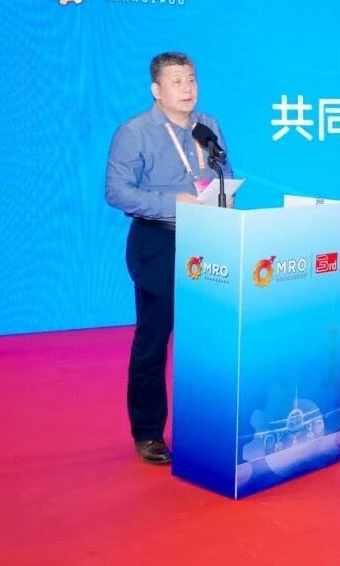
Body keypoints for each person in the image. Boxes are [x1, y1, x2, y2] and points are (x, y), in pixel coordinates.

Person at [104, 51, 233, 465]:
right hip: (158, 242)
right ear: (156, 90)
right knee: (154, 340)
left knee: (209, 337)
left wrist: (224, 193)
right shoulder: (135, 132)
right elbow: (116, 192)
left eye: (191, 79)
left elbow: (225, 171)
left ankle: (207, 423)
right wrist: (171, 203)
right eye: (177, 81)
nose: (187, 88)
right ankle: (148, 433)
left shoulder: (207, 125)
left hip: (208, 239)